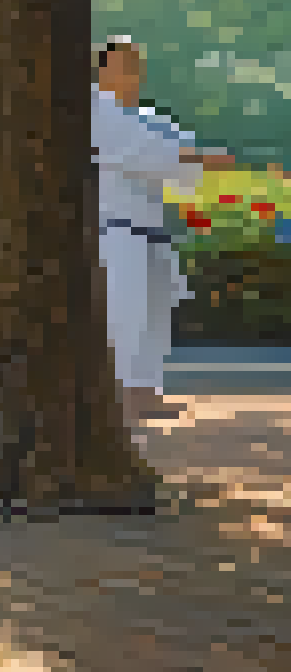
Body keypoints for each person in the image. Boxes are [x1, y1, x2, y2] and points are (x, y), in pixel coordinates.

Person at [93, 37, 233, 422]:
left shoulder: (152, 118)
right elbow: (143, 154)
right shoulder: (93, 111)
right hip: (116, 229)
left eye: (136, 64)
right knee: (124, 313)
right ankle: (116, 395)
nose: (132, 73)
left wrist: (207, 165)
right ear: (102, 70)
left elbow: (182, 156)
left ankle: (145, 391)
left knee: (155, 314)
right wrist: (202, 160)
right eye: (122, 64)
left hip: (156, 229)